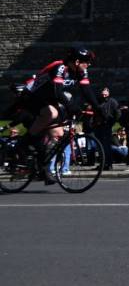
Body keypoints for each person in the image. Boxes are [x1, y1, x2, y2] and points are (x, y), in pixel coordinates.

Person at [18, 47, 101, 184]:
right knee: (52, 113)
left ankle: (43, 168)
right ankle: (23, 143)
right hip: (32, 96)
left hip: (48, 100)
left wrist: (98, 108)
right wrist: (71, 106)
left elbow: (87, 91)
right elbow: (58, 91)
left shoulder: (81, 71)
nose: (89, 64)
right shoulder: (60, 67)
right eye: (87, 61)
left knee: (57, 134)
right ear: (77, 61)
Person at [94, 87, 121, 170]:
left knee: (106, 146)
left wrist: (111, 122)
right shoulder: (98, 100)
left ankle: (108, 164)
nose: (104, 95)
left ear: (108, 93)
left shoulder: (112, 101)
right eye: (102, 93)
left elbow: (118, 113)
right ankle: (102, 164)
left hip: (106, 126)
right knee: (100, 146)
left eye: (105, 93)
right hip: (98, 126)